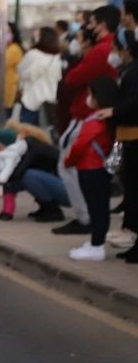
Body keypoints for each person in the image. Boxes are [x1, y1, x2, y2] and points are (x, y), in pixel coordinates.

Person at [64, 77, 117, 261]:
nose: (88, 98)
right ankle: (96, 241)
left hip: (90, 168)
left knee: (96, 208)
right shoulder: (109, 119)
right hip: (101, 169)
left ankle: (97, 246)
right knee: (100, 206)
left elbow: (79, 145)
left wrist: (68, 160)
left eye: (90, 94)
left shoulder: (95, 121)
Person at [99, 28, 138, 262]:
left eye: (115, 48)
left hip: (134, 137)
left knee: (135, 190)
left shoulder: (133, 73)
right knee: (132, 190)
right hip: (128, 136)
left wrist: (114, 111)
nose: (112, 53)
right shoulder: (129, 71)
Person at [0, 124, 68, 222]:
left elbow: (19, 172)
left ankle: (52, 210)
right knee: (27, 177)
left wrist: (4, 178)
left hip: (68, 191)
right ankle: (46, 207)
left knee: (28, 176)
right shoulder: (32, 145)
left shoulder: (31, 147)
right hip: (61, 186)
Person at [16, 26, 62, 127]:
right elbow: (58, 78)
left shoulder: (33, 54)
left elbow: (20, 70)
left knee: (26, 133)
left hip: (31, 100)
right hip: (48, 102)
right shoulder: (56, 58)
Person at [4, 22, 25, 120]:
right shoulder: (8, 48)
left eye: (8, 32)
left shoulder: (14, 49)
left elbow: (3, 62)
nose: (5, 34)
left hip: (8, 92)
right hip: (5, 92)